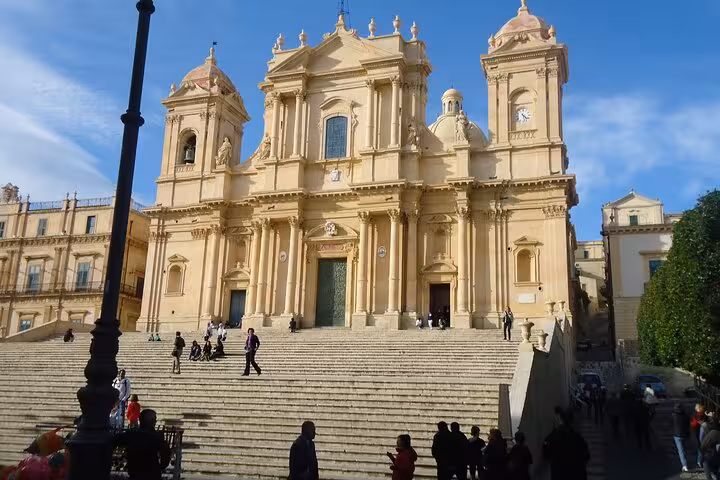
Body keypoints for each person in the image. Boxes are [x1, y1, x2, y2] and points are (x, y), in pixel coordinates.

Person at [114, 409, 171, 480]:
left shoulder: (131, 434)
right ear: (153, 422)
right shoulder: (156, 436)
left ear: (140, 420)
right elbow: (165, 454)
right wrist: (161, 466)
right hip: (152, 472)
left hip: (134, 471)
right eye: (155, 420)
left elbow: (116, 441)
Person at [543, 409, 590, 480]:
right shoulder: (577, 438)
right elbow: (586, 456)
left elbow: (546, 453)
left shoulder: (552, 437)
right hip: (576, 474)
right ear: (572, 422)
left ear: (561, 421)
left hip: (559, 474)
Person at [672, 403, 691, 472]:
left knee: (681, 450)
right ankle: (685, 462)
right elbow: (688, 424)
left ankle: (685, 465)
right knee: (684, 449)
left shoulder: (673, 415)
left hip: (677, 435)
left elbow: (671, 424)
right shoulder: (686, 415)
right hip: (685, 434)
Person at [692, 404, 708, 468]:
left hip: (697, 433)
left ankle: (700, 461)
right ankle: (701, 461)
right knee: (701, 448)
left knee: (701, 448)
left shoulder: (696, 415)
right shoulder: (699, 415)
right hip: (699, 433)